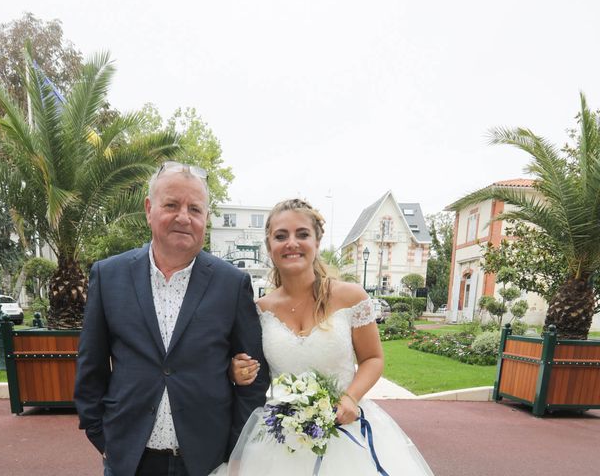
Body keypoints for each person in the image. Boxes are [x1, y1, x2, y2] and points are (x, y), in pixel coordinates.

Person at [74, 162, 270, 476]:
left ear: (206, 217)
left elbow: (254, 376)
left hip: (205, 463)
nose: (183, 217)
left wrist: (234, 449)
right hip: (129, 460)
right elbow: (90, 366)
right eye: (171, 205)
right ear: (149, 209)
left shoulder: (231, 284)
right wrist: (101, 435)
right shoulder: (109, 276)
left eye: (195, 208)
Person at [221, 198, 434, 475]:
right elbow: (253, 368)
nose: (292, 243)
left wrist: (351, 398)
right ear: (270, 246)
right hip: (282, 439)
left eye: (302, 234)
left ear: (317, 242)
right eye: (281, 236)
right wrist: (235, 371)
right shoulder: (260, 310)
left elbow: (372, 358)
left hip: (345, 431)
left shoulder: (350, 297)